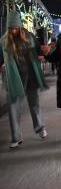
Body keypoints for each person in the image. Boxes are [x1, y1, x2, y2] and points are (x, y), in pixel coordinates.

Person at [0, 10, 48, 148]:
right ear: (8, 28)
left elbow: (39, 50)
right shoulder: (4, 40)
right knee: (13, 107)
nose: (14, 31)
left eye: (16, 28)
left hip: (30, 76)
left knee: (34, 104)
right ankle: (16, 137)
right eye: (11, 28)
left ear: (20, 26)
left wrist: (44, 50)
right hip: (13, 78)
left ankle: (40, 128)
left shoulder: (30, 37)